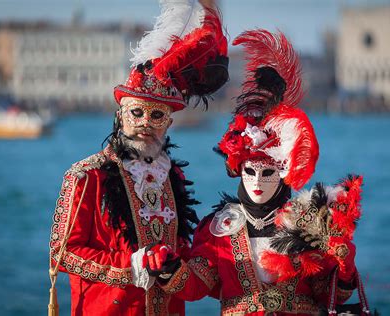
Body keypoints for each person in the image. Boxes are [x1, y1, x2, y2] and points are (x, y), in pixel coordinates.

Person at [142, 30, 369, 315]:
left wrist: (345, 267)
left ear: (284, 171)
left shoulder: (310, 222)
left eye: (268, 172)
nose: (258, 181)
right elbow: (199, 284)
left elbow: (327, 292)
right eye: (250, 171)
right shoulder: (219, 229)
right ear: (238, 170)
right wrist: (170, 269)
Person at [48, 1, 228, 315]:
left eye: (156, 115)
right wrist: (131, 266)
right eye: (136, 113)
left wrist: (177, 270)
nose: (145, 123)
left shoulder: (174, 176)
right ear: (120, 115)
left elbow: (181, 248)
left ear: (169, 122)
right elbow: (62, 255)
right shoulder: (85, 175)